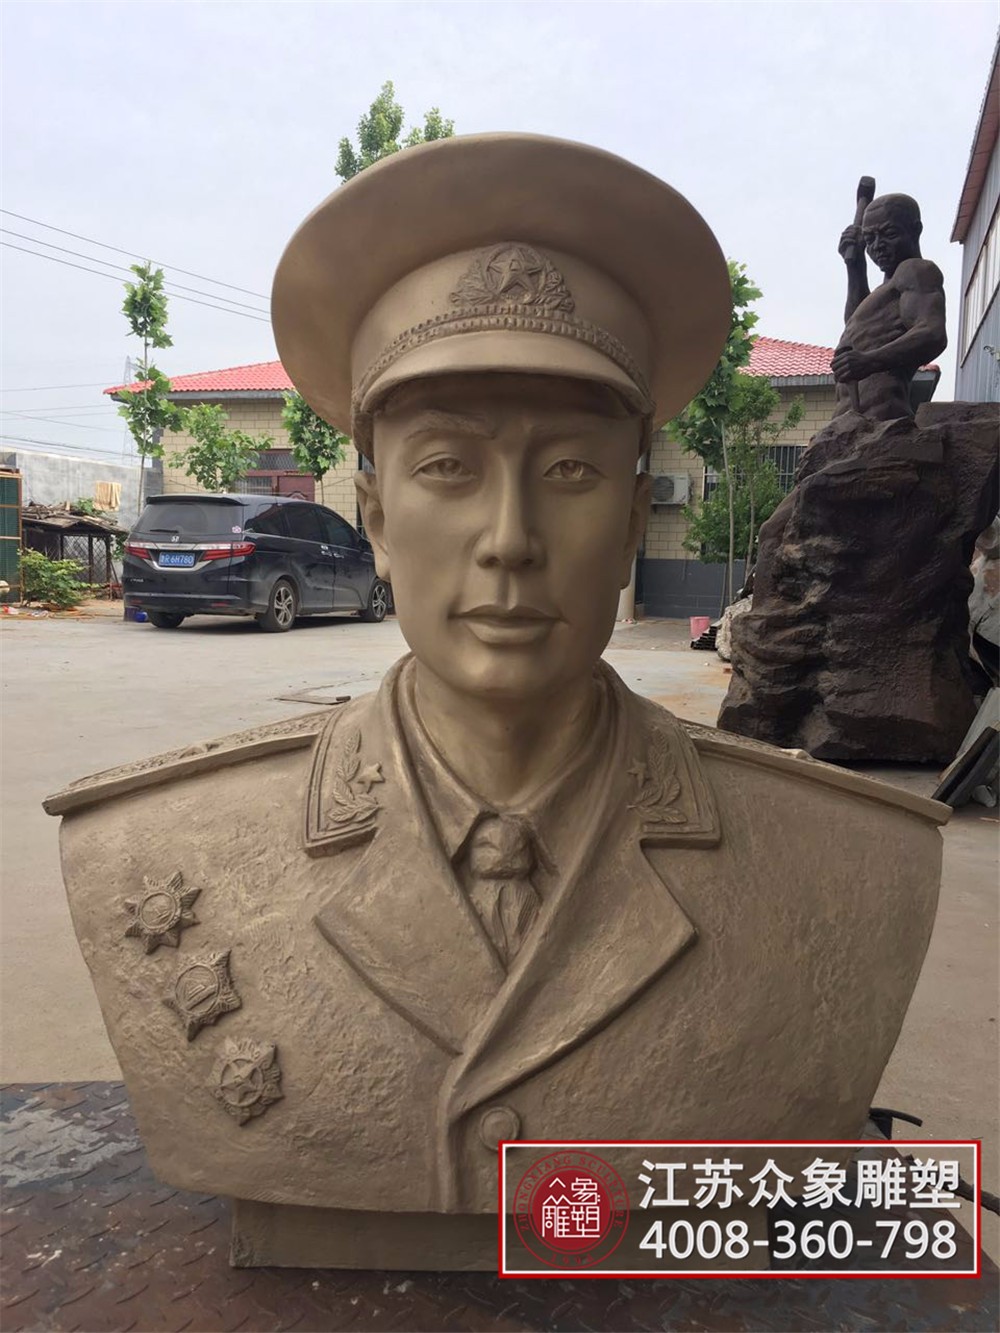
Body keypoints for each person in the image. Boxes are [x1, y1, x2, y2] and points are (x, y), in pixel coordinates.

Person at [46, 135, 945, 1262]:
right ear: (376, 517)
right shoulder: (152, 849)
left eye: (571, 471)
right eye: (446, 468)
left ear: (632, 520)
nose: (510, 540)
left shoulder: (849, 861)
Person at [831, 192, 947, 420]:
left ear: (915, 230)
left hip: (883, 417)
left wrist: (869, 361)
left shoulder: (916, 270)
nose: (877, 246)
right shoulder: (888, 289)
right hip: (852, 420)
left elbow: (932, 333)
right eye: (869, 239)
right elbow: (856, 327)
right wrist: (855, 266)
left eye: (889, 234)